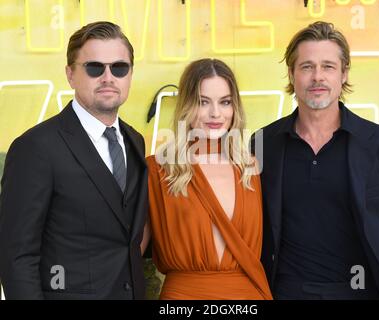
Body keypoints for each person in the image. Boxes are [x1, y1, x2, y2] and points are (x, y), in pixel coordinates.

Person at [255, 21, 379, 300]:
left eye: (328, 66)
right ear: (292, 74)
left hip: (361, 292)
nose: (317, 76)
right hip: (285, 293)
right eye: (307, 66)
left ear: (343, 74)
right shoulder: (262, 144)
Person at [0, 21, 149, 299]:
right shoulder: (34, 148)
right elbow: (17, 256)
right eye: (94, 67)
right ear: (70, 75)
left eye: (119, 67)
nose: (108, 77)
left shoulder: (135, 142)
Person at [146, 58, 272, 299]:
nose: (216, 113)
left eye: (225, 102)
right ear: (186, 106)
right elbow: (128, 249)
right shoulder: (158, 170)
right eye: (203, 102)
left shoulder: (252, 169)